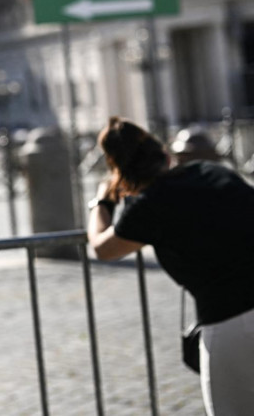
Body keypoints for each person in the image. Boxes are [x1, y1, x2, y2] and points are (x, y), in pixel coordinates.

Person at [87, 116, 254, 415]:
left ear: (123, 176)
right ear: (165, 155)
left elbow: (102, 247)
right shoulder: (210, 171)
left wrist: (102, 202)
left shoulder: (148, 207)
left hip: (230, 320)